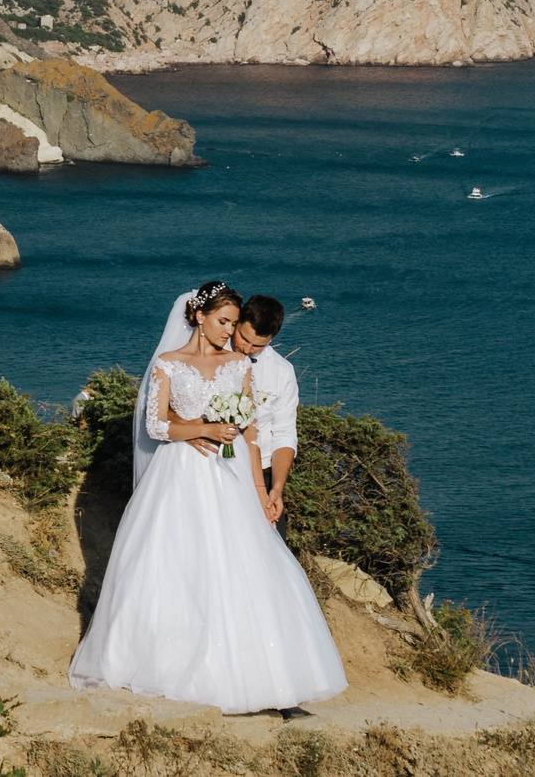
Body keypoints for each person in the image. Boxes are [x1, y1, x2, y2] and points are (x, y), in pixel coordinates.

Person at [69, 281, 346, 713]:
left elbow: (253, 435)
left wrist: (264, 492)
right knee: (176, 566)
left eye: (233, 324)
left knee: (245, 568)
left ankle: (265, 678)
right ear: (199, 317)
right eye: (225, 322)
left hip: (232, 474)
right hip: (179, 474)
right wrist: (200, 428)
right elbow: (156, 427)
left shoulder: (241, 366)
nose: (229, 332)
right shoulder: (168, 363)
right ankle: (171, 665)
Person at [234, 294, 298, 524]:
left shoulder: (282, 371)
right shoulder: (212, 357)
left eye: (257, 345)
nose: (247, 348)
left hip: (264, 472)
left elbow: (284, 433)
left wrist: (277, 488)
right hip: (218, 470)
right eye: (243, 338)